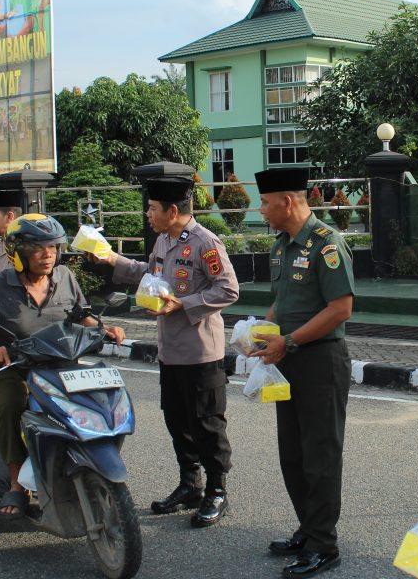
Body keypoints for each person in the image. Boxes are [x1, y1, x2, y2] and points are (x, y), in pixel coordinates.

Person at [88, 177, 239, 527]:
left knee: (207, 423)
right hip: (170, 351)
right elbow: (148, 273)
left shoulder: (205, 243)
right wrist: (111, 259)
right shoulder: (164, 239)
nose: (148, 214)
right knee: (177, 420)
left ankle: (217, 490)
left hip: (200, 351)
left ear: (172, 210)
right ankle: (190, 485)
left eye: (152, 208)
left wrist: (181, 305)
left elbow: (228, 289)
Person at [0, 214, 124, 517]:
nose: (47, 254)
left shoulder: (64, 277)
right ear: (19, 253)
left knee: (98, 398)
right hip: (13, 367)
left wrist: (104, 328)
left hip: (60, 364)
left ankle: (81, 457)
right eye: (38, 248)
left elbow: (81, 315)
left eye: (52, 247)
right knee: (11, 402)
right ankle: (16, 483)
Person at [251, 167, 354, 579]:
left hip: (320, 362)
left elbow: (340, 308)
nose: (261, 209)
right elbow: (282, 302)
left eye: (264, 202)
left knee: (320, 458)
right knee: (292, 456)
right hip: (287, 360)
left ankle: (324, 545)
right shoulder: (281, 246)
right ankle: (308, 530)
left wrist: (289, 342)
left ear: (287, 202)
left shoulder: (327, 244)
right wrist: (262, 329)